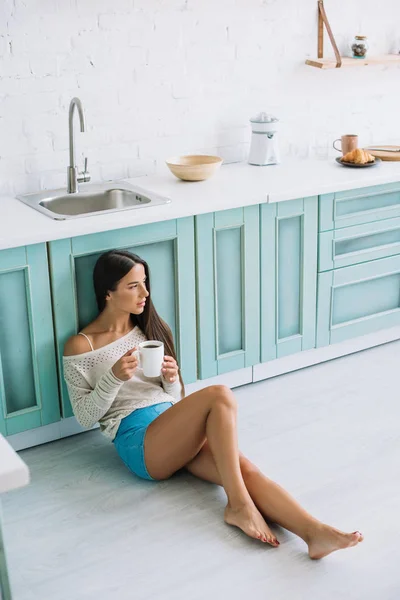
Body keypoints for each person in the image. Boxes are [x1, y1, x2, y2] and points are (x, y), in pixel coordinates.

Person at [63, 249, 364, 560]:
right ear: (108, 292)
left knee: (243, 469)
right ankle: (237, 505)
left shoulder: (147, 330)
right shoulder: (81, 345)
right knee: (219, 394)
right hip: (140, 444)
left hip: (173, 429)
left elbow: (172, 396)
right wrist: (112, 378)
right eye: (133, 286)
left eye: (144, 283)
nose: (145, 293)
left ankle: (314, 533)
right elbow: (85, 417)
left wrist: (170, 379)